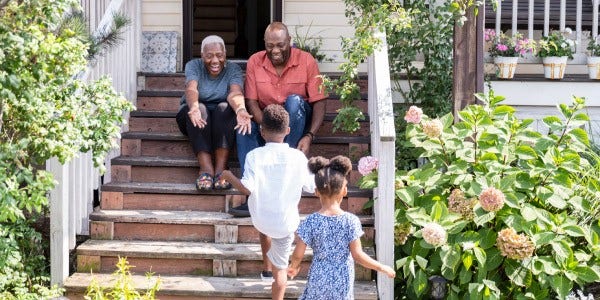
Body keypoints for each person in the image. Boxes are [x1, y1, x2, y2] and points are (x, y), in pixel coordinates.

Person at [228, 21, 327, 217]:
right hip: (264, 121)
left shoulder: (306, 61)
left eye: (280, 45)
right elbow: (252, 102)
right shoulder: (255, 61)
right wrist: (267, 130)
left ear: (289, 41)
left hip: (295, 123)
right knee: (243, 127)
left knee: (294, 102)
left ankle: (282, 181)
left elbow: (320, 102)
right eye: (270, 45)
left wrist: (310, 136)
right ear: (264, 43)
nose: (275, 50)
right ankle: (253, 197)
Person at [220, 105, 315, 300]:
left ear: (261, 132)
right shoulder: (298, 157)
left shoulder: (254, 156)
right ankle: (274, 280)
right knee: (282, 272)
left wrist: (228, 176)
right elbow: (310, 187)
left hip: (261, 218)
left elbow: (247, 189)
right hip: (285, 224)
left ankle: (266, 268)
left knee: (264, 222)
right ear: (288, 131)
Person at [287, 155, 396, 299]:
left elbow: (298, 253)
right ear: (344, 191)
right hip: (342, 278)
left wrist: (294, 267)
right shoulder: (350, 221)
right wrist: (381, 267)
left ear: (316, 191)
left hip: (318, 277)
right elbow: (358, 255)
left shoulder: (310, 221)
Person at [175, 35, 252, 191]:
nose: (215, 60)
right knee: (201, 109)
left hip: (220, 119)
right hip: (193, 117)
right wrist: (194, 107)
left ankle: (221, 170)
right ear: (202, 55)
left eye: (219, 55)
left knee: (224, 108)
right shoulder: (194, 65)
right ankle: (205, 169)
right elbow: (191, 88)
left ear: (225, 55)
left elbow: (234, 92)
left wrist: (240, 109)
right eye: (209, 56)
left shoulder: (233, 69)